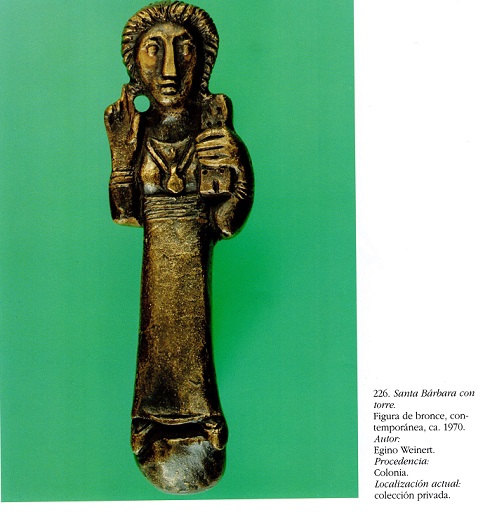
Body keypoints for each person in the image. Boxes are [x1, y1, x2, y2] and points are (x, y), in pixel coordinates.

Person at [104, 1, 253, 494]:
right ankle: (146, 415)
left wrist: (239, 171)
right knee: (155, 339)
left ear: (203, 62)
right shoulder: (135, 131)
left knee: (193, 339)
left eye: (183, 50)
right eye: (154, 50)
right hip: (157, 259)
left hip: (193, 254)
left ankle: (204, 414)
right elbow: (125, 213)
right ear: (135, 67)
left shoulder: (214, 132)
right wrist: (120, 156)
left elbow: (225, 224)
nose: (169, 68)